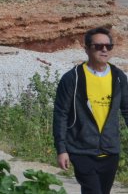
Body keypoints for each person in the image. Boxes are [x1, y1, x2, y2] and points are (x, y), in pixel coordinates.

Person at [53, 27, 128, 194]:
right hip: (81, 150)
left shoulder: (118, 77)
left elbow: (127, 110)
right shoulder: (73, 78)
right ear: (86, 49)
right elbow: (61, 114)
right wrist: (61, 149)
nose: (104, 50)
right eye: (98, 46)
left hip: (110, 150)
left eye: (108, 46)